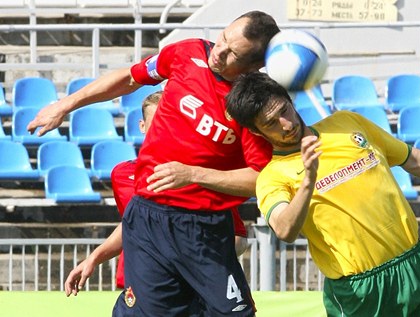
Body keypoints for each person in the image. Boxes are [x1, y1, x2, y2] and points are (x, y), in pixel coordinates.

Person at [28, 11, 280, 317]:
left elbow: (260, 178)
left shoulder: (250, 104)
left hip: (204, 229)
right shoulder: (187, 52)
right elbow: (130, 78)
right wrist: (65, 105)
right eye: (223, 38)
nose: (219, 52)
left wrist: (193, 175)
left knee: (234, 314)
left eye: (233, 53)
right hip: (150, 217)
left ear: (255, 66)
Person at [225, 71, 420, 317]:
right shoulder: (271, 178)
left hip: (415, 267)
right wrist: (308, 180)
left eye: (284, 111)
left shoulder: (347, 124)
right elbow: (285, 229)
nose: (286, 124)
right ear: (258, 133)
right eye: (271, 123)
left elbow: (412, 159)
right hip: (360, 291)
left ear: (290, 101)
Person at [64, 91, 251, 291]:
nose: (164, 132)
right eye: (158, 125)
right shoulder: (122, 174)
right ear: (142, 127)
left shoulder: (198, 174)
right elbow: (133, 224)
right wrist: (94, 258)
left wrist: (195, 263)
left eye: (171, 124)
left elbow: (238, 238)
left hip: (194, 286)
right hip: (142, 281)